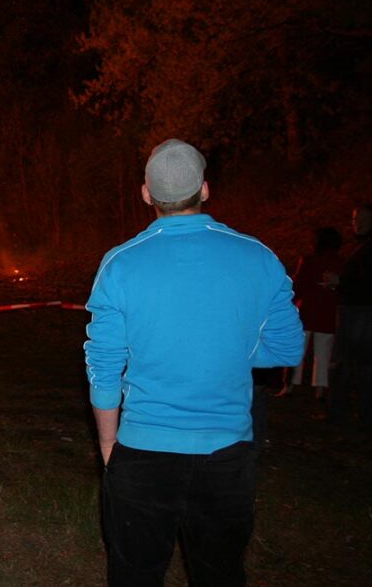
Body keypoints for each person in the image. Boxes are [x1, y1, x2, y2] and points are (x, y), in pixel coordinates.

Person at [84, 139, 304, 585]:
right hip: (227, 455)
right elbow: (287, 349)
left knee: (135, 576)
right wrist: (229, 352)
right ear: (205, 189)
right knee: (220, 575)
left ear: (146, 193)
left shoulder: (121, 265)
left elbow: (104, 367)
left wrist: (108, 445)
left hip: (144, 452)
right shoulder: (258, 257)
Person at [277, 227, 344, 399]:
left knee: (296, 350)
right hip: (328, 314)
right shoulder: (341, 263)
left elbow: (298, 286)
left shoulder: (309, 261)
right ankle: (320, 390)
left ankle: (290, 385)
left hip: (306, 312)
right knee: (323, 354)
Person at [328, 203, 372, 426]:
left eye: (363, 219)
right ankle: (361, 413)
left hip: (358, 311)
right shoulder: (358, 247)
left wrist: (341, 282)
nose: (358, 223)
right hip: (356, 309)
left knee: (343, 364)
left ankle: (339, 412)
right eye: (355, 219)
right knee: (362, 365)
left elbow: (364, 283)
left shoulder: (365, 249)